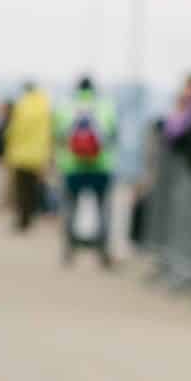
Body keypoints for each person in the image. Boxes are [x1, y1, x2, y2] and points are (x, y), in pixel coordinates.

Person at [55, 74, 117, 265]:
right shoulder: (106, 107)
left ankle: (68, 250)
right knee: (103, 210)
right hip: (101, 166)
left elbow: (59, 136)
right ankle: (103, 251)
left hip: (72, 166)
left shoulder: (66, 107)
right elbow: (113, 135)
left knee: (70, 208)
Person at [2, 80, 53, 231]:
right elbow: (49, 133)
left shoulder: (22, 105)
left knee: (21, 189)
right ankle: (31, 217)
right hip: (38, 155)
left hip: (20, 154)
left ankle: (22, 220)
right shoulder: (44, 106)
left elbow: (14, 131)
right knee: (33, 188)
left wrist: (8, 151)